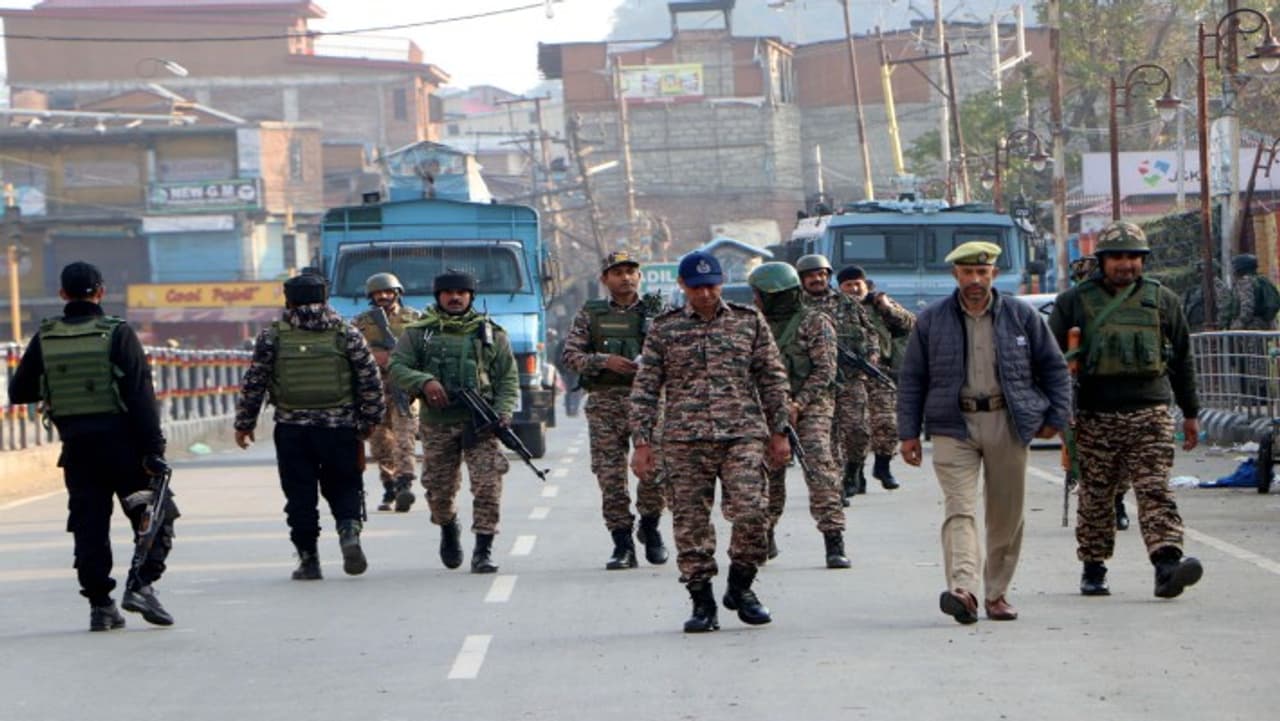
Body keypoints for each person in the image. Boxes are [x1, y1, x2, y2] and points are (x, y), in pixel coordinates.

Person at [898, 241, 1070, 624]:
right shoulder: (931, 320)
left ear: (994, 273)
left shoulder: (1022, 316)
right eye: (967, 273)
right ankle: (964, 590)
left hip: (1007, 421)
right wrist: (908, 433)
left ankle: (996, 594)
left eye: (982, 272)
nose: (975, 280)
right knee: (959, 508)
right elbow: (912, 378)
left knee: (1006, 513)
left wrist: (1057, 416)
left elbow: (1054, 368)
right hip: (952, 424)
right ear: (955, 275)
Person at [8, 261, 176, 631]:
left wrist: (59, 385)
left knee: (89, 528)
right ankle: (141, 585)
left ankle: (101, 606)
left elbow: (19, 391)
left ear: (62, 294)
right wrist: (155, 451)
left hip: (79, 451)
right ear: (101, 291)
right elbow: (140, 396)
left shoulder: (46, 337)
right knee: (156, 516)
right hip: (127, 451)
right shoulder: (118, 333)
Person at [630, 250, 791, 633]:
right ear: (683, 286)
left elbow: (772, 377)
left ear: (721, 283)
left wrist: (780, 431)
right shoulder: (665, 328)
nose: (705, 294)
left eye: (711, 286)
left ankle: (742, 586)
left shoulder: (748, 322)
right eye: (697, 287)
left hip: (742, 434)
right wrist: (642, 442)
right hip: (684, 440)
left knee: (752, 511)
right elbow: (646, 387)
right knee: (691, 523)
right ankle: (702, 601)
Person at [1048, 221, 1205, 600]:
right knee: (1097, 494)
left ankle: (1167, 565)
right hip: (1094, 415)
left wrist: (1190, 412)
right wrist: (1053, 411)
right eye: (1117, 257)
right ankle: (1094, 566)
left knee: (1155, 489)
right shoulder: (1074, 302)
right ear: (1102, 261)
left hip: (1150, 412)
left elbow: (1182, 359)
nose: (1126, 264)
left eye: (1133, 257)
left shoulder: (1162, 300)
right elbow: (1050, 359)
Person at [235, 272, 385, 581]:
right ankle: (348, 531)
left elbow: (255, 382)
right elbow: (370, 380)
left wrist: (244, 424)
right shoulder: (347, 333)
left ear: (288, 300)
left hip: (293, 429)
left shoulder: (273, 336)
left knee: (300, 495)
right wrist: (370, 421)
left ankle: (309, 560)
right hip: (340, 427)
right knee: (345, 485)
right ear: (325, 299)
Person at [388, 270, 519, 574]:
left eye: (462, 292)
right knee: (438, 490)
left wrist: (502, 412)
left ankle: (483, 549)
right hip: (438, 423)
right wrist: (424, 382)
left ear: (471, 296)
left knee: (488, 486)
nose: (455, 298)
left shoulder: (491, 333)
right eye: (448, 293)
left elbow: (508, 378)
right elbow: (397, 366)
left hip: (481, 422)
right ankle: (448, 526)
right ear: (438, 296)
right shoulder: (419, 332)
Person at [560, 251, 669, 570]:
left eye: (631, 271)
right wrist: (604, 361)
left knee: (655, 471)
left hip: (649, 402)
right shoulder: (591, 314)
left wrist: (650, 365)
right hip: (605, 404)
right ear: (605, 279)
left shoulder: (659, 312)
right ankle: (622, 543)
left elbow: (676, 353)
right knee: (610, 477)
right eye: (618, 272)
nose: (626, 278)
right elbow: (570, 356)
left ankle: (650, 524)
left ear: (640, 276)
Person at [748, 262, 849, 569]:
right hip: (769, 405)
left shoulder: (814, 321)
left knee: (819, 464)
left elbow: (825, 370)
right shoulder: (753, 324)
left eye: (759, 294)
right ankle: (765, 532)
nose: (755, 299)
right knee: (768, 469)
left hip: (812, 403)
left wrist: (798, 404)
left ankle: (833, 539)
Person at [796, 254, 879, 503]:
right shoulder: (797, 307)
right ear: (802, 279)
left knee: (858, 431)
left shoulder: (848, 303)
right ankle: (837, 487)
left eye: (821, 274)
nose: (817, 279)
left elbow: (871, 333)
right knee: (826, 440)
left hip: (851, 378)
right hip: (817, 384)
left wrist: (871, 359)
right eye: (811, 276)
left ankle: (854, 469)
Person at [837, 265, 915, 491]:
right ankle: (854, 473)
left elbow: (910, 323)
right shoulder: (835, 307)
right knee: (855, 429)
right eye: (848, 285)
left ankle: (882, 467)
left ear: (866, 284)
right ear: (840, 287)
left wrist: (888, 309)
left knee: (887, 423)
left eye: (857, 284)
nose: (854, 289)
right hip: (848, 376)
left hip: (880, 373)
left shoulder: (879, 304)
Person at [352, 272, 423, 512]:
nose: (383, 296)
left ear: (397, 293)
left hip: (405, 387)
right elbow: (350, 352)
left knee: (405, 438)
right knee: (380, 441)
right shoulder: (361, 323)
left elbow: (426, 350)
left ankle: (404, 484)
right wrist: (373, 356)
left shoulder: (415, 319)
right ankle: (390, 485)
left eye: (387, 292)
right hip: (374, 390)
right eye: (377, 293)